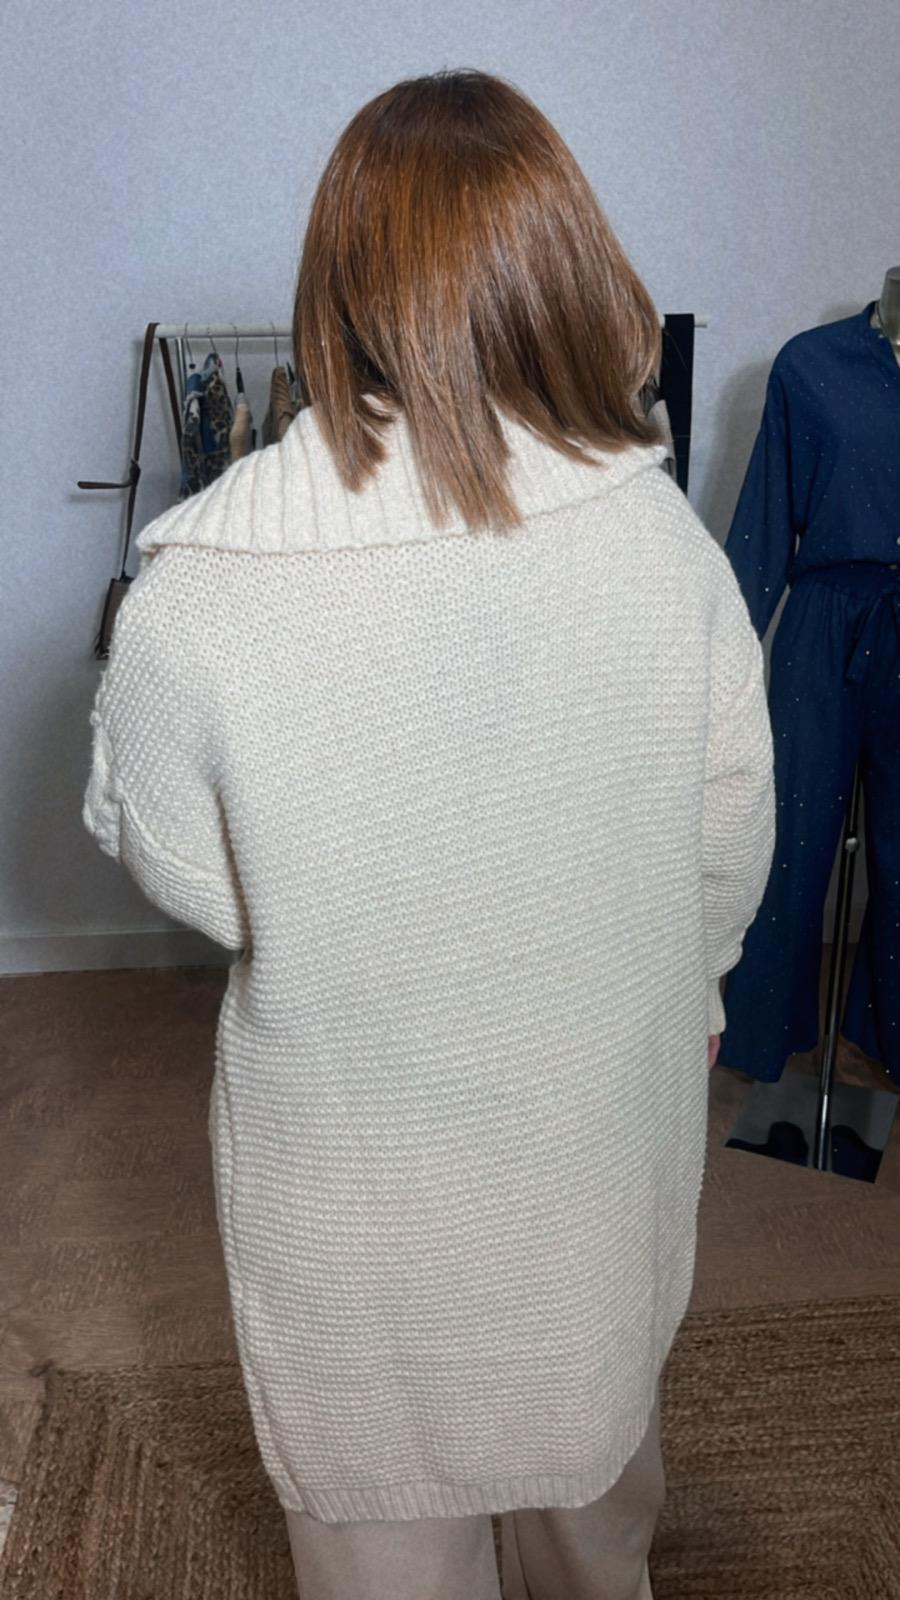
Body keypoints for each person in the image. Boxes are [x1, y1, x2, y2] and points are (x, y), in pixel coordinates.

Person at [82, 69, 774, 1600]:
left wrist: (349, 886)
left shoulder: (200, 589)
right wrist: (683, 980)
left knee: (385, 1523)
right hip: (596, 1127)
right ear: (568, 267)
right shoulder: (662, 543)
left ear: (338, 285)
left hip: (356, 1187)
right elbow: (727, 841)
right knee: (597, 1494)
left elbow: (185, 866)